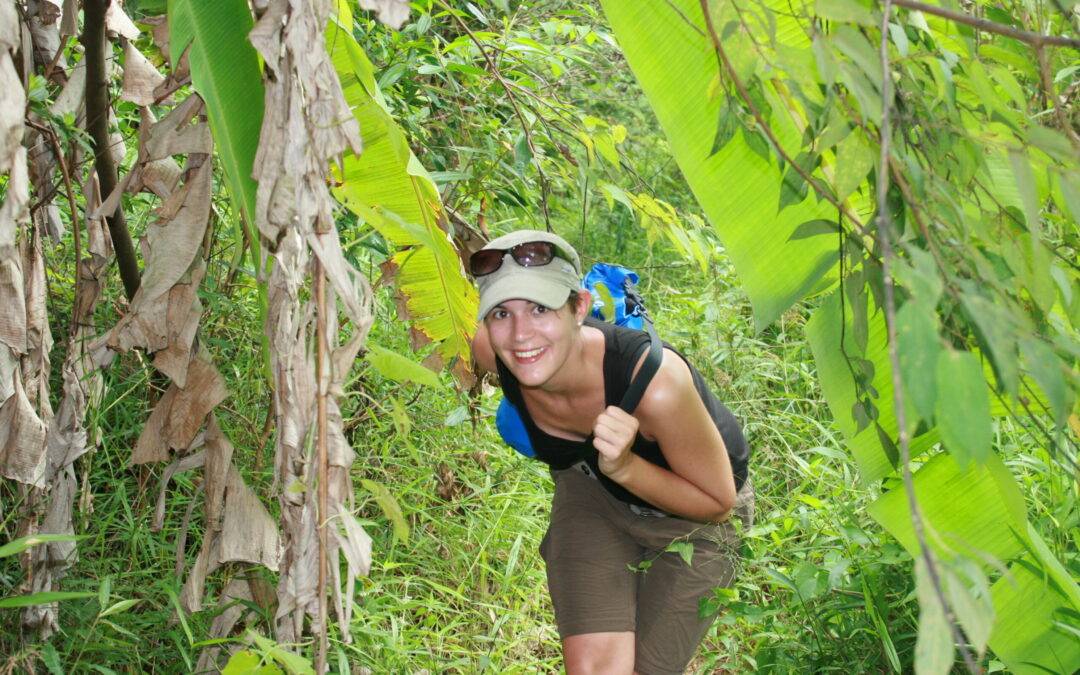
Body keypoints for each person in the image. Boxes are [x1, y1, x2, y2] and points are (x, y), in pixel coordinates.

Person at [470, 229, 753, 675]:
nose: (521, 335)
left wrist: (624, 465)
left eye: (541, 308)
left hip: (694, 518)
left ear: (579, 307)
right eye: (501, 313)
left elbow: (718, 505)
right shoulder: (493, 350)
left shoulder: (655, 385)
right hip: (593, 495)